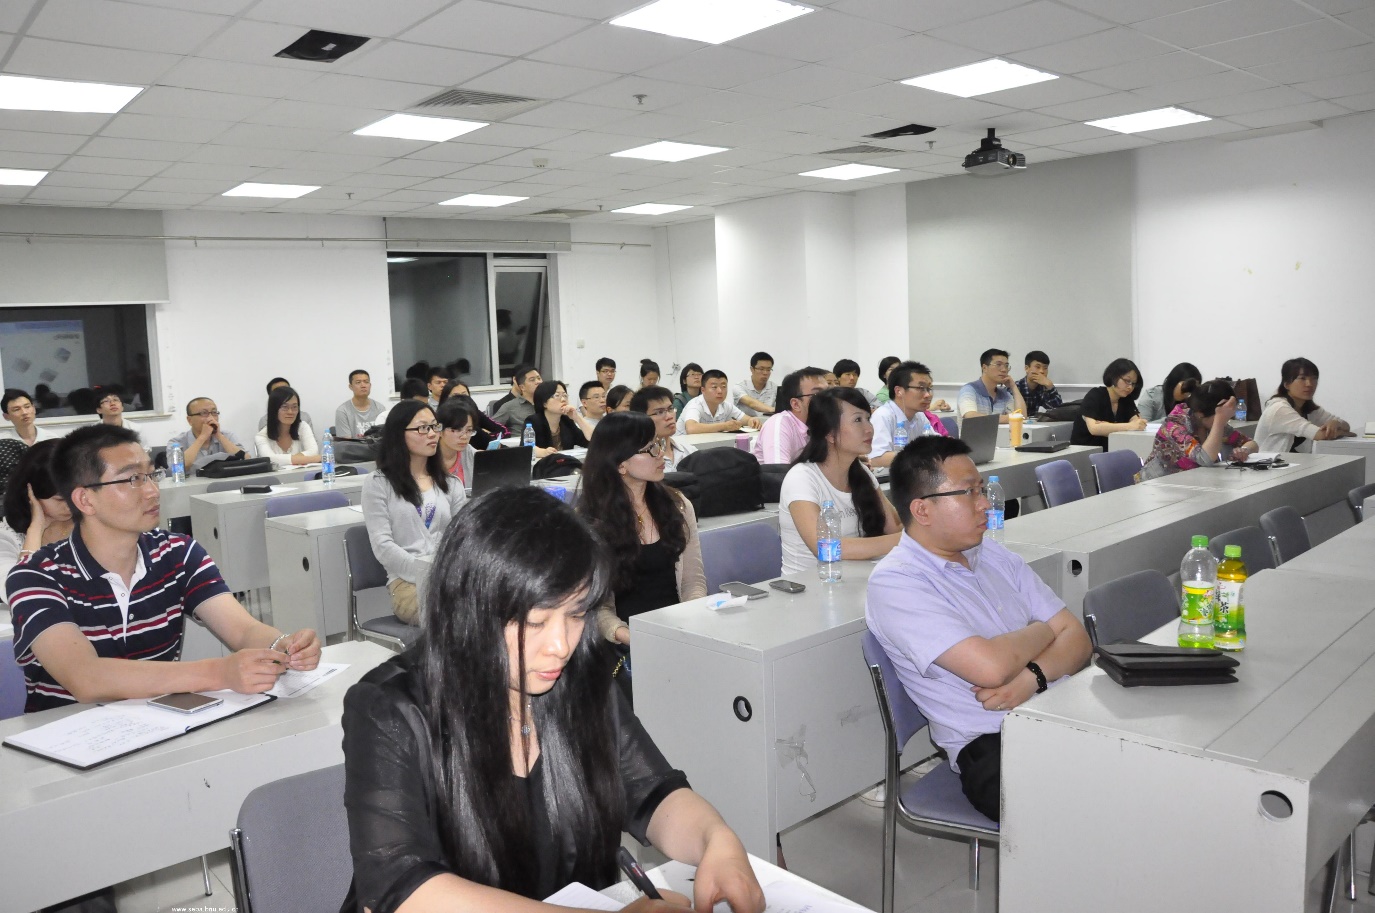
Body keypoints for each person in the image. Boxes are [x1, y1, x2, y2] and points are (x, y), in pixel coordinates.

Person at [340, 486, 764, 913]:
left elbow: (652, 791)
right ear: (471, 610)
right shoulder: (389, 709)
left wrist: (717, 840)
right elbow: (403, 888)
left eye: (576, 614)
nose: (561, 645)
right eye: (536, 622)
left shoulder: (580, 678)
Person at [6, 424, 321, 714]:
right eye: (132, 479)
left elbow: (242, 630)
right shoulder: (35, 576)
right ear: (85, 500)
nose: (152, 491)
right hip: (64, 736)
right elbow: (86, 678)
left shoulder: (177, 553)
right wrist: (220, 672)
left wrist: (282, 646)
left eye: (151, 475)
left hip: (160, 724)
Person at [865, 436, 1091, 821]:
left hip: (1055, 711)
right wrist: (1044, 630)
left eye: (981, 489)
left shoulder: (993, 555)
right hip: (993, 744)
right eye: (968, 492)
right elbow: (990, 668)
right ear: (922, 510)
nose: (985, 503)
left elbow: (1079, 639)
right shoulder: (897, 582)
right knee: (1109, 800)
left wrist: (1031, 677)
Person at [577, 412, 707, 677]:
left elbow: (693, 581)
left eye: (658, 444)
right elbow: (594, 607)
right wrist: (629, 635)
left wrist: (691, 621)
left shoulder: (678, 506)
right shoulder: (589, 523)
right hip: (622, 644)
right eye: (650, 449)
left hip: (679, 634)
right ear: (620, 465)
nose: (661, 455)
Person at [362, 400, 469, 626]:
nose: (432, 434)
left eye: (434, 426)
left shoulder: (451, 483)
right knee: (457, 616)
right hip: (406, 584)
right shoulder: (379, 483)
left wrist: (448, 574)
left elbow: (462, 539)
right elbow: (382, 546)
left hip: (449, 580)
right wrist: (426, 573)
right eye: (422, 428)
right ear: (399, 434)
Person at [779, 388, 901, 575]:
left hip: (857, 578)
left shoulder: (862, 473)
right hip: (812, 585)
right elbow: (826, 548)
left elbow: (895, 527)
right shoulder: (801, 478)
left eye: (868, 418)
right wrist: (906, 540)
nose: (869, 428)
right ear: (829, 433)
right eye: (858, 420)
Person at [0, 441, 72, 612]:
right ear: (29, 493)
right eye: (60, 499)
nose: (71, 504)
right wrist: (35, 530)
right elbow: (18, 593)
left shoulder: (94, 524)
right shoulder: (7, 537)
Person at [1140, 379, 1260, 480]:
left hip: (1194, 483)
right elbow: (1204, 458)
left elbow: (1252, 443)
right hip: (1156, 486)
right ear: (1200, 415)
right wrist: (1219, 420)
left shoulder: (1209, 422)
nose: (1225, 422)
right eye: (1222, 417)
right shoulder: (1175, 424)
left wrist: (1244, 450)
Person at [1254, 357, 1354, 453]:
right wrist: (1342, 432)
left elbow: (1346, 426)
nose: (1309, 384)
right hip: (1267, 463)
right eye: (1302, 378)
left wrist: (1335, 422)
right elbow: (1321, 435)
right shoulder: (1280, 408)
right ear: (1287, 384)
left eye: (1314, 378)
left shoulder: (1309, 408)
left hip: (1294, 462)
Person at [869, 361, 950, 468]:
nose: (928, 395)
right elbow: (876, 459)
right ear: (899, 391)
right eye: (921, 388)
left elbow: (935, 442)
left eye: (929, 388)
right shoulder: (883, 416)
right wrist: (920, 455)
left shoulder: (920, 415)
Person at [752, 366, 827, 464]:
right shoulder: (779, 424)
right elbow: (778, 470)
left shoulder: (822, 424)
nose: (829, 399)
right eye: (819, 395)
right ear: (796, 404)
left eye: (829, 392)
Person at [1072, 358, 1147, 450]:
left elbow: (1139, 424)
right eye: (1127, 381)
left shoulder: (1126, 399)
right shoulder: (1095, 395)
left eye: (1133, 384)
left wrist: (1107, 427)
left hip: (1112, 450)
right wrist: (1129, 426)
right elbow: (1094, 429)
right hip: (1084, 451)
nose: (1130, 387)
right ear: (1113, 376)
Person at [169, 396, 246, 470]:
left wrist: (219, 436)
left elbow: (246, 459)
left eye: (214, 412)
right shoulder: (176, 442)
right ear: (190, 420)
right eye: (204, 413)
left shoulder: (227, 436)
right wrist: (202, 437)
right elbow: (177, 468)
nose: (211, 418)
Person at [253, 385, 321, 468]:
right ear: (274, 409)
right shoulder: (261, 436)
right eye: (285, 407)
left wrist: (287, 460)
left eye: (294, 407)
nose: (290, 412)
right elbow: (270, 459)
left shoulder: (303, 427)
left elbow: (313, 451)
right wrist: (312, 459)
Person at [630, 385, 697, 470]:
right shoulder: (640, 460)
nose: (669, 416)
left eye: (670, 409)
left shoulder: (690, 451)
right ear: (642, 418)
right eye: (660, 412)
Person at [679, 370, 762, 434]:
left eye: (723, 386)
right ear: (703, 390)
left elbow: (746, 419)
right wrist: (724, 426)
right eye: (714, 387)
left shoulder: (725, 405)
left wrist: (752, 420)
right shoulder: (695, 404)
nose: (720, 391)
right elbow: (691, 428)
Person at [957, 349, 1027, 424]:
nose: (1004, 370)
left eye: (1006, 366)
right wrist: (1008, 418)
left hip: (998, 432)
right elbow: (971, 416)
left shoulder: (1004, 394)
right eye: (998, 365)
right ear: (984, 368)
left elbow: (1022, 417)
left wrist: (1013, 387)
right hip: (973, 432)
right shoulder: (969, 390)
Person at [530, 380, 594, 458]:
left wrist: (577, 417)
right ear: (544, 403)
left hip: (566, 463)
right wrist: (544, 452)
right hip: (543, 464)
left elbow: (593, 441)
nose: (563, 399)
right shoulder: (533, 421)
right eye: (557, 396)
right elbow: (527, 448)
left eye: (565, 395)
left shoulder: (567, 421)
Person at [441, 380, 507, 450]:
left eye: (464, 395)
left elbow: (504, 431)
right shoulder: (442, 419)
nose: (461, 399)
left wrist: (488, 435)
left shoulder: (475, 414)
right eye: (456, 396)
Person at [1137, 362, 1202, 424]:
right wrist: (1172, 418)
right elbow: (1142, 425)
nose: (1188, 392)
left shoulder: (1192, 402)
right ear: (1174, 381)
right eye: (1188, 386)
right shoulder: (1151, 396)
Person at [436, 397, 478, 487]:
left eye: (469, 430)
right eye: (457, 430)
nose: (464, 436)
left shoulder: (470, 453)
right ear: (440, 430)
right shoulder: (426, 457)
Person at [335, 369, 386, 437]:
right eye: (358, 382)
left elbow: (383, 436)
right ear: (350, 387)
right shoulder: (343, 411)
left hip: (375, 444)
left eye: (366, 382)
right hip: (352, 444)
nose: (363, 385)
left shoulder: (380, 408)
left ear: (370, 385)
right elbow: (345, 440)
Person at [492, 364, 542, 431]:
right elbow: (490, 427)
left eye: (539, 378)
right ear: (522, 387)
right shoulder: (509, 406)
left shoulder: (548, 402)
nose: (538, 382)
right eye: (532, 380)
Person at [1016, 350, 1063, 416]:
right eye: (1037, 367)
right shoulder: (1016, 387)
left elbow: (1058, 410)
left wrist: (1050, 386)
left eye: (1045, 368)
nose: (1042, 371)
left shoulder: (1045, 387)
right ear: (1027, 368)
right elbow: (1013, 413)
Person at [732, 352, 777, 417]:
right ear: (752, 369)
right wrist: (775, 409)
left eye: (768, 369)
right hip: (746, 423)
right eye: (761, 369)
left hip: (768, 422)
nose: (765, 373)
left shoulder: (774, 388)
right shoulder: (739, 387)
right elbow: (752, 403)